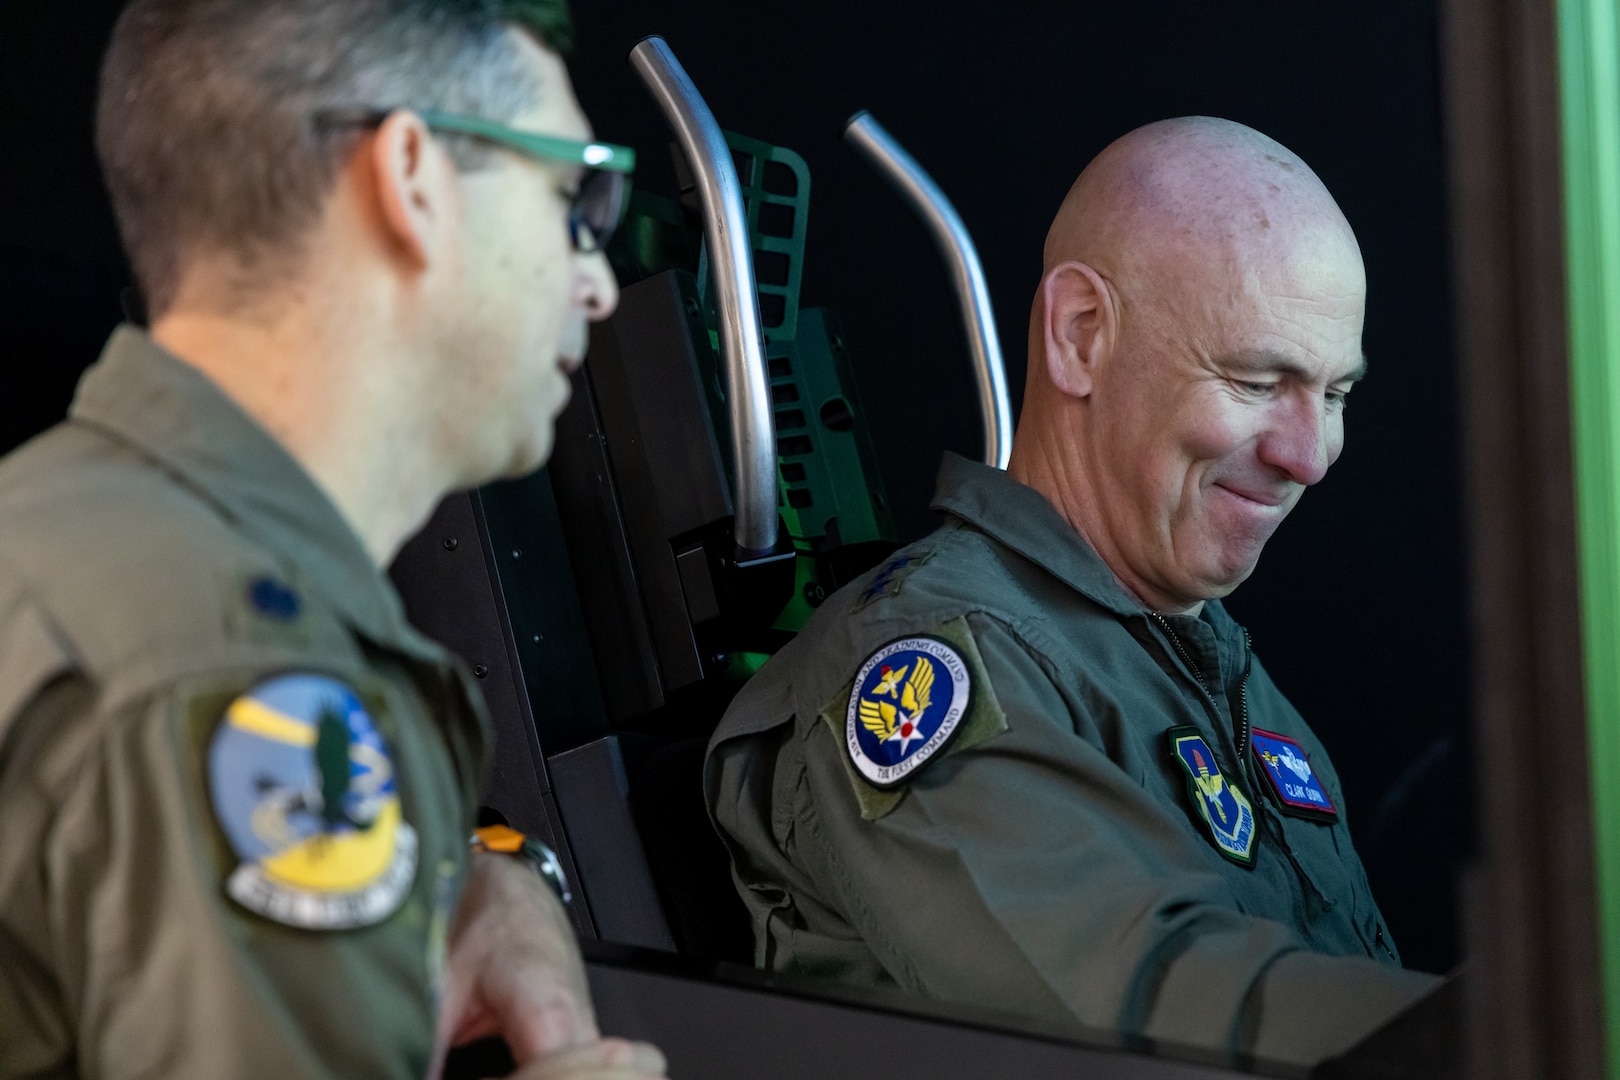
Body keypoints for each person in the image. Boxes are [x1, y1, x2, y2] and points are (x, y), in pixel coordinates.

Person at [0, 2, 665, 1078]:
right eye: (572, 197)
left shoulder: (70, 536)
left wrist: (463, 877)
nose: (594, 279)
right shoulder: (235, 664)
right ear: (411, 179)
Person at [705, 117, 1442, 1069]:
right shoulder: (926, 660)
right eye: (1259, 379)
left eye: (1336, 395)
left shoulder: (1209, 669)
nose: (1310, 455)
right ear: (1081, 335)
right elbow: (1151, 1023)